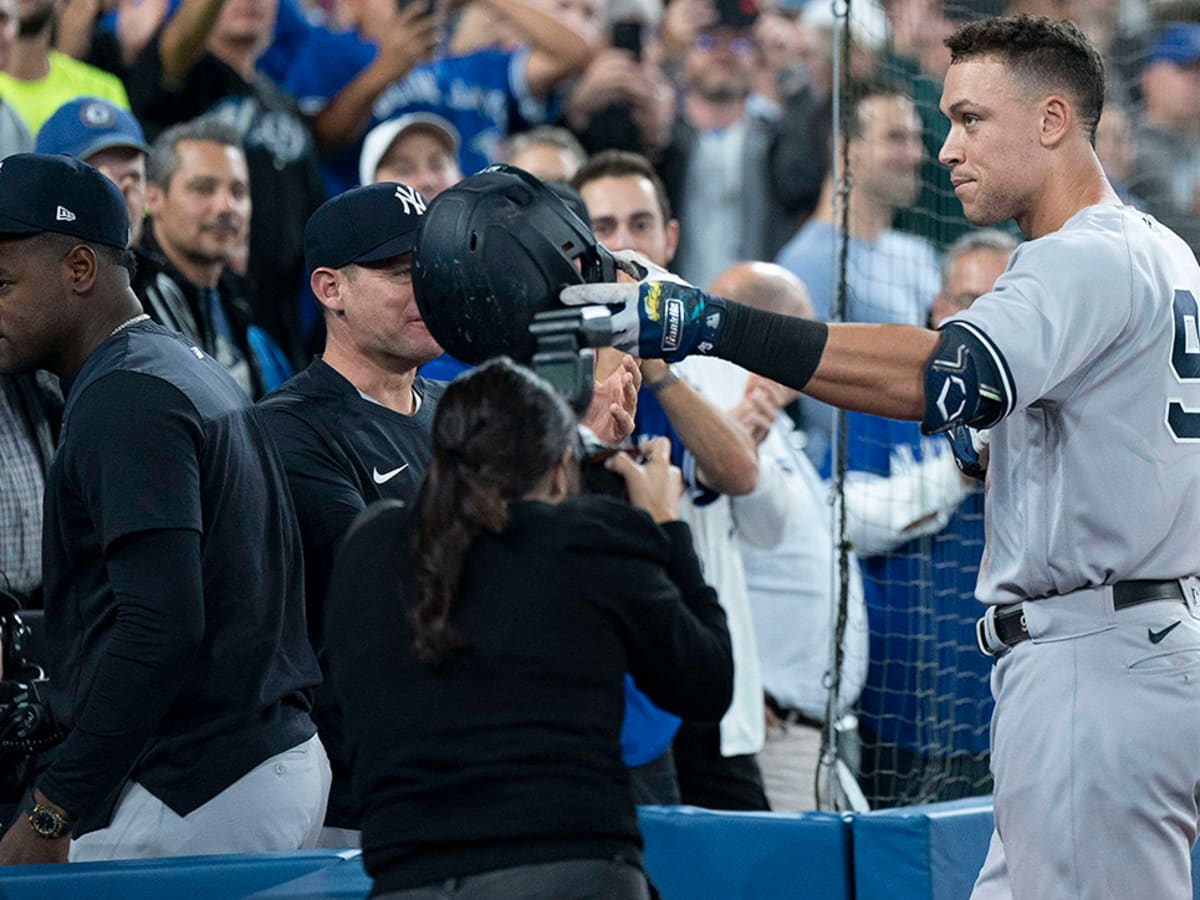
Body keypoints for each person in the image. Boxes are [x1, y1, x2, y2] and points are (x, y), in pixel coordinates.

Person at [564, 14, 1200, 899]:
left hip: (1096, 658)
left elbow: (940, 377)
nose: (947, 149)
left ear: (1054, 119)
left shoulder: (1082, 256)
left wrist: (706, 322)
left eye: (972, 119)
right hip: (1123, 643)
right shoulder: (1158, 249)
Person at [258, 179, 639, 844]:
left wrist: (581, 451)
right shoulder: (289, 431)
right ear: (330, 289)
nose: (426, 291)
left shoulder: (454, 407)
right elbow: (395, 581)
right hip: (361, 797)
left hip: (478, 766)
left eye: (431, 272)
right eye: (402, 274)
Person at [0, 153, 327, 864]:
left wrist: (52, 811)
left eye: (2, 283)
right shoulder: (176, 365)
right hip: (260, 762)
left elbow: (162, 630)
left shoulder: (127, 397)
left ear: (80, 269)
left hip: (200, 789)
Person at [325, 356, 733, 899]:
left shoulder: (370, 545)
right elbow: (706, 682)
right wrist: (664, 525)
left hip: (407, 875)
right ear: (564, 464)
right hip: (569, 867)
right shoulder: (591, 540)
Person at [574, 149, 787, 811]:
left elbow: (745, 482)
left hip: (703, 668)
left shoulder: (714, 347)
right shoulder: (545, 354)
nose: (623, 244)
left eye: (640, 225)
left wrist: (657, 360)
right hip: (602, 691)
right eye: (602, 227)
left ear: (669, 237)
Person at [711, 260, 869, 812]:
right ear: (779, 337)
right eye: (808, 331)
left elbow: (855, 515)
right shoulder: (719, 426)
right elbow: (696, 558)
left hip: (818, 734)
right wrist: (730, 681)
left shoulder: (781, 434)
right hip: (772, 732)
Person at [136, 117, 284, 397]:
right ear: (153, 198)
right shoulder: (131, 306)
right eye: (204, 189)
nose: (226, 206)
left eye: (238, 192)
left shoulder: (242, 300)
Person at [35, 97, 149, 247]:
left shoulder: (161, 269)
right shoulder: (11, 267)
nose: (121, 192)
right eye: (98, 178)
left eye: (133, 177)